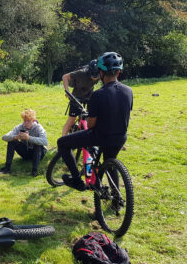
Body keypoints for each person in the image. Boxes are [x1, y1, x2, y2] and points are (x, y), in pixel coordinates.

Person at [57, 52, 133, 191]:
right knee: (110, 162)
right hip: (120, 137)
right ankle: (116, 200)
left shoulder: (97, 95)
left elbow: (91, 125)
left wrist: (88, 118)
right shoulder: (129, 91)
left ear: (101, 73)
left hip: (101, 137)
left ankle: (76, 180)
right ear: (119, 72)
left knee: (62, 143)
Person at [0, 109, 48, 177]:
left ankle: (34, 171)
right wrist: (16, 137)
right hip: (26, 153)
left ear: (33, 121)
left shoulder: (39, 128)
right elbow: (4, 137)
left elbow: (45, 141)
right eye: (24, 121)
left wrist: (29, 138)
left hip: (39, 154)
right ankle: (7, 168)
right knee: (12, 141)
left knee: (38, 145)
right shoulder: (20, 127)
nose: (25, 123)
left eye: (28, 121)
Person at [62, 59, 100, 136]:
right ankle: (62, 142)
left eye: (96, 77)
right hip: (76, 97)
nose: (94, 79)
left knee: (91, 118)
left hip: (89, 96)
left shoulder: (101, 74)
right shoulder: (82, 73)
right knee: (71, 120)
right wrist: (67, 92)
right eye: (93, 76)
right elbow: (65, 77)